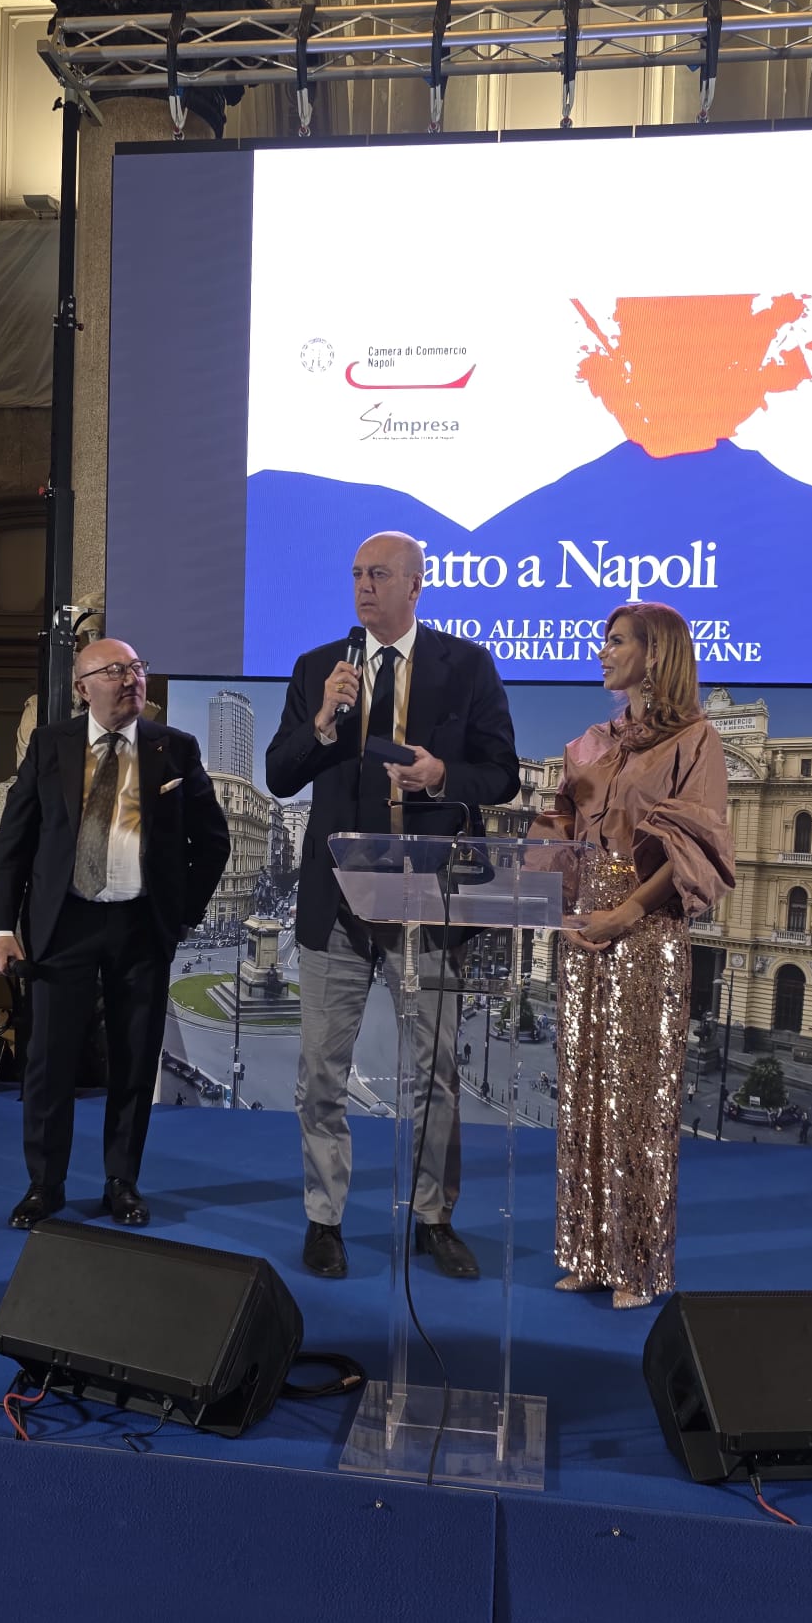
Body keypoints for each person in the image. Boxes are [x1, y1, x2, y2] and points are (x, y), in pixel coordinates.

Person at [266, 531, 520, 1279]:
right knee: (321, 1073)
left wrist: (442, 776)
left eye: (377, 574)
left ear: (415, 585)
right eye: (355, 575)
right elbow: (280, 775)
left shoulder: (466, 666)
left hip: (427, 902)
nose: (363, 587)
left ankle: (433, 1217)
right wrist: (321, 721)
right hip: (337, 904)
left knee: (435, 1075)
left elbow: (502, 773)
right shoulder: (319, 668)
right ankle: (324, 1219)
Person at [528, 603, 735, 1309]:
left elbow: (695, 848)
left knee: (638, 1098)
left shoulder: (696, 741)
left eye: (616, 642)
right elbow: (556, 831)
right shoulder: (588, 745)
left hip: (646, 931)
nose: (603, 651)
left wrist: (626, 911)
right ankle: (588, 1252)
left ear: (655, 654)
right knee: (584, 1090)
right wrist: (556, 906)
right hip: (584, 930)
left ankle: (637, 1265)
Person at [0, 639, 230, 1229]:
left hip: (140, 927)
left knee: (135, 1061)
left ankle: (122, 1182)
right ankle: (45, 1185)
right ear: (82, 687)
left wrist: (181, 915)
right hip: (63, 925)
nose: (130, 679)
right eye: (115, 670)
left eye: (137, 668)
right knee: (49, 1063)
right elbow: (13, 843)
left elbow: (213, 842)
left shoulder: (175, 748)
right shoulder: (50, 745)